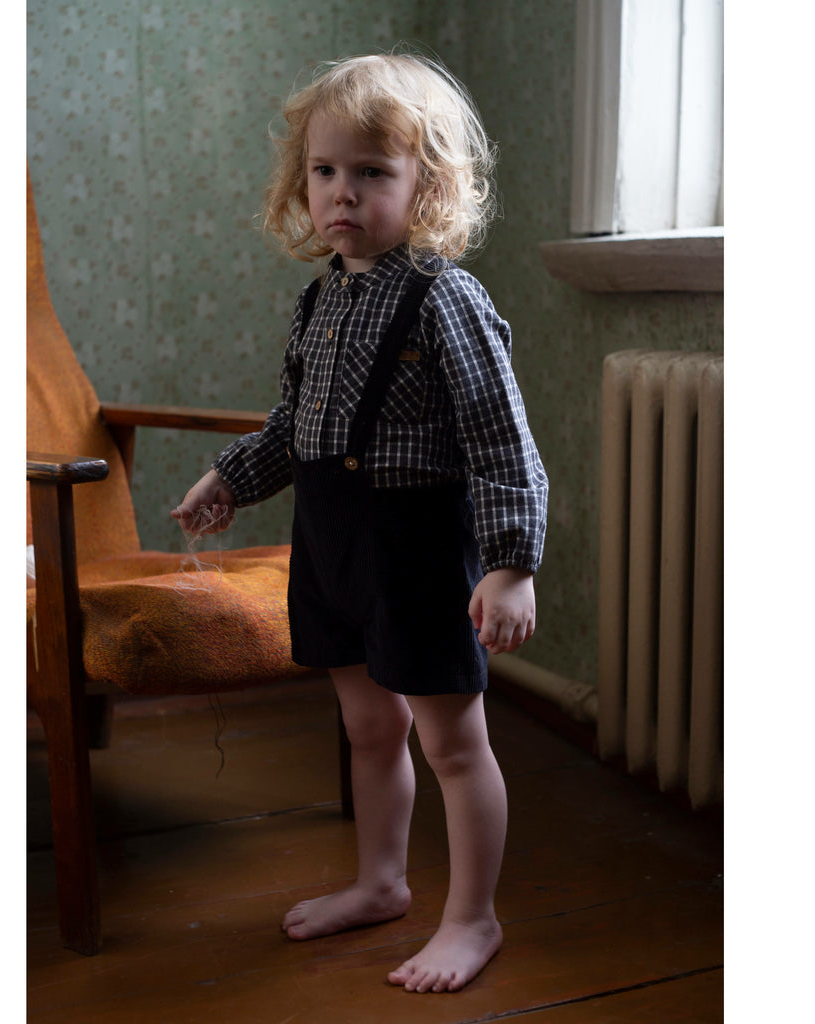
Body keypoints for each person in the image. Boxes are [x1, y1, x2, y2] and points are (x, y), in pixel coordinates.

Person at [174, 51, 548, 994]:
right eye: (326, 170)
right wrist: (230, 478)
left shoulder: (446, 299)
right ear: (302, 183)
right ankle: (381, 882)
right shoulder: (320, 299)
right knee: (369, 728)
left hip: (417, 551)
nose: (343, 192)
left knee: (452, 744)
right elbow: (295, 427)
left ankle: (473, 918)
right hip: (333, 545)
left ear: (428, 185)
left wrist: (510, 564)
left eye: (373, 171)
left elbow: (503, 441)